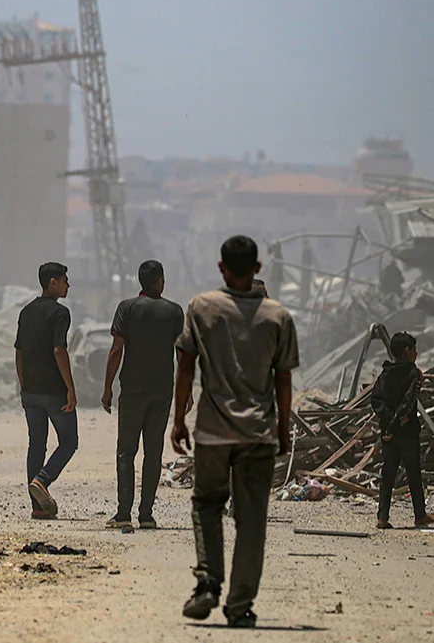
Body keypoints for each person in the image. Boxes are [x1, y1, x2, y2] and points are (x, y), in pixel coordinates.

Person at [171, 235, 299, 629]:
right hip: (258, 433)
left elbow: (186, 367)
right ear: (257, 268)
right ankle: (240, 605)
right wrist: (282, 430)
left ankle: (208, 583)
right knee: (252, 519)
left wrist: (178, 419)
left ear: (221, 267)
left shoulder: (201, 307)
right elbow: (283, 381)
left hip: (212, 430)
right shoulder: (278, 316)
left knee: (207, 504)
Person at [100, 260, 185, 531]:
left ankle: (123, 513)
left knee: (126, 452)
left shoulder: (127, 308)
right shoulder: (174, 311)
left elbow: (116, 349)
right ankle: (146, 515)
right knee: (153, 451)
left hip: (133, 390)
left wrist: (107, 387)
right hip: (162, 391)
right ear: (159, 280)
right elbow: (182, 354)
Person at [15, 262, 78, 520]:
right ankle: (42, 480)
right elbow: (59, 350)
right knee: (69, 442)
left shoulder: (26, 311)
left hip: (30, 391)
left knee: (36, 445)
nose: (68, 285)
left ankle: (38, 507)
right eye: (65, 280)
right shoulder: (60, 313)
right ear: (53, 283)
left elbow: (19, 351)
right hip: (54, 392)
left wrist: (23, 383)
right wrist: (71, 388)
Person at [370, 331, 434, 529]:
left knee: (388, 474)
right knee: (413, 473)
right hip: (406, 431)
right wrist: (396, 422)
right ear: (407, 351)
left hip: (388, 433)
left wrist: (388, 423)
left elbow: (376, 400)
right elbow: (408, 402)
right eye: (414, 350)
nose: (416, 354)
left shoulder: (385, 374)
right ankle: (420, 515)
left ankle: (382, 517)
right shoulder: (413, 373)